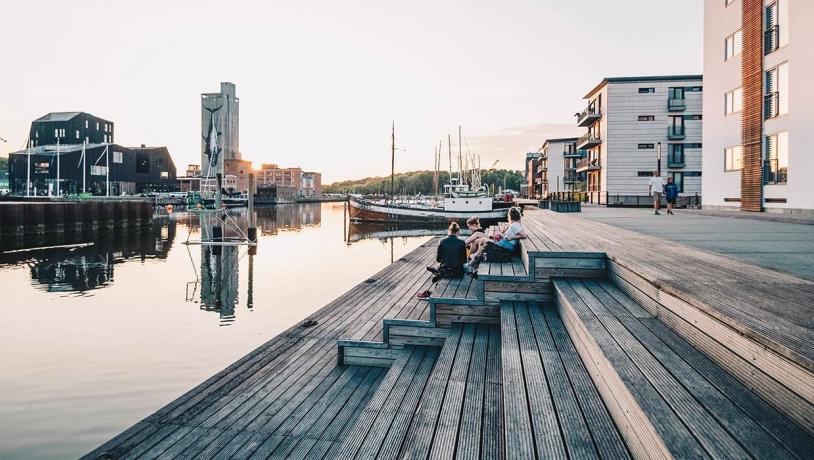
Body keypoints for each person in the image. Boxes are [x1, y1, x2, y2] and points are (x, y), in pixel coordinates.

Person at [465, 207, 526, 273]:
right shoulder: (515, 224)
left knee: (482, 240)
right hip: (503, 244)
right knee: (481, 241)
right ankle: (473, 260)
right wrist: (502, 234)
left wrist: (509, 237)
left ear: (510, 216)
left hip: (505, 246)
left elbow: (523, 235)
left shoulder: (515, 225)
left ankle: (472, 262)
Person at [417, 221, 467, 298]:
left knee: (442, 269)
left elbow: (438, 260)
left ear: (449, 231)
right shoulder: (462, 242)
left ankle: (438, 273)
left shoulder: (442, 241)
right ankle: (438, 273)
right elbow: (464, 260)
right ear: (458, 232)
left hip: (445, 270)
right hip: (458, 273)